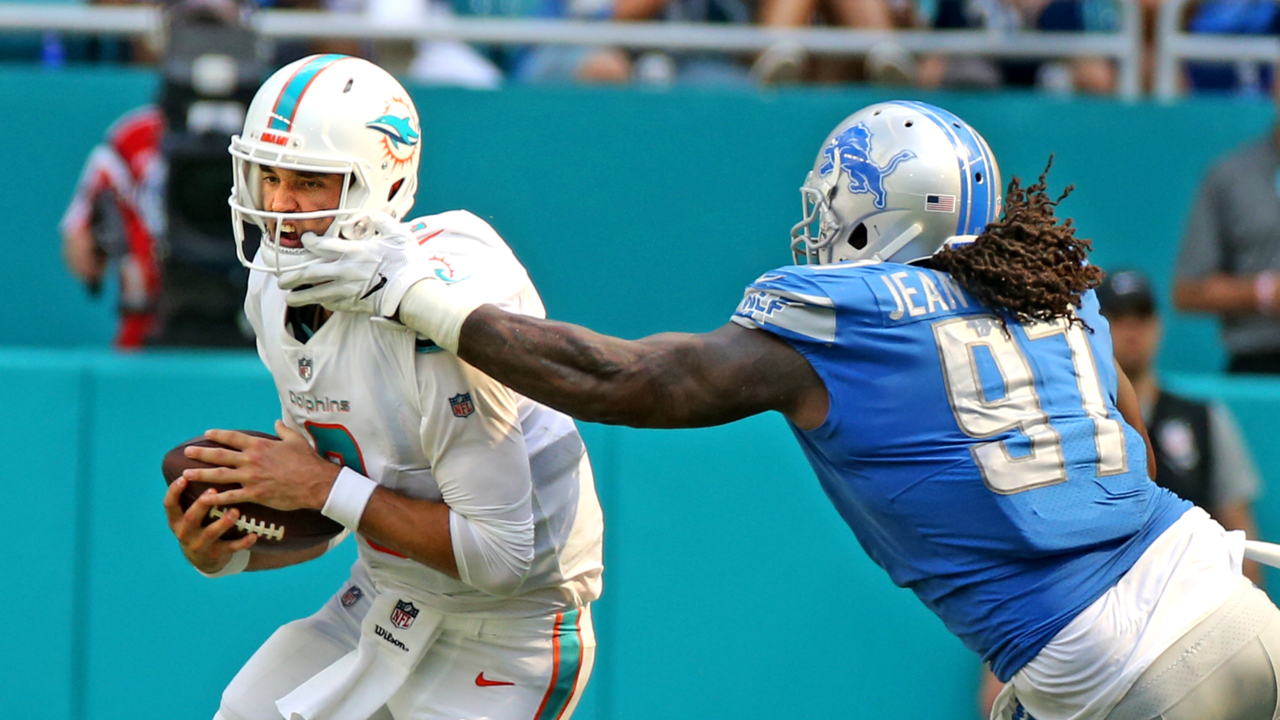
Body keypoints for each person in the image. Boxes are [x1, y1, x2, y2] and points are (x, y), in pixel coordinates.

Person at [285, 100, 1280, 720]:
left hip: (1114, 671)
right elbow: (1133, 464)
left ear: (872, 216)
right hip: (1230, 607)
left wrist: (422, 301)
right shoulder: (1051, 293)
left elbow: (624, 381)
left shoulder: (849, 317)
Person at [162, 54, 604, 720]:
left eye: (310, 181)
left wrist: (316, 486)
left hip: (506, 632)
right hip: (383, 599)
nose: (280, 206)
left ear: (382, 185)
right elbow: (344, 509)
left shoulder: (439, 308)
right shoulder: (271, 294)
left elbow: (501, 557)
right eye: (268, 176)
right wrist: (228, 552)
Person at [976, 265, 1271, 716]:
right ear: (1093, 329)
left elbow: (1241, 537)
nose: (1131, 331)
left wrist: (1233, 626)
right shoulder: (1061, 427)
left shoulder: (1201, 419)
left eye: (1141, 317)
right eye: (1118, 318)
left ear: (1157, 326)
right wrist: (1002, 673)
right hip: (1091, 642)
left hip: (1192, 625)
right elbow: (1028, 555)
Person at [1174, 76, 1280, 373]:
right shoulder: (1230, 176)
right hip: (1257, 363)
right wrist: (1266, 292)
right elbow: (1188, 290)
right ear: (1275, 87)